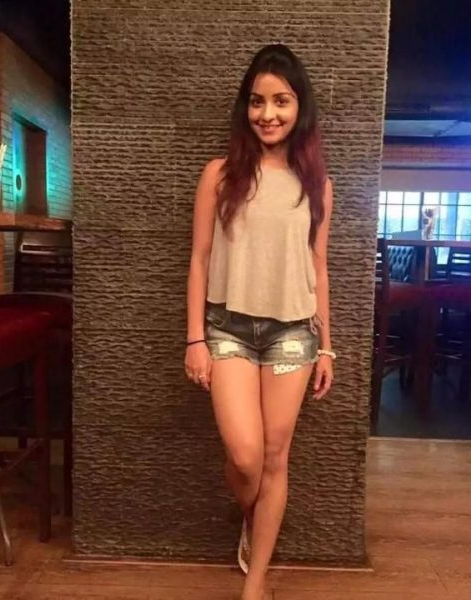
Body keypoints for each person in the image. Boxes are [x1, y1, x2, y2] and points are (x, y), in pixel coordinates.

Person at [184, 43, 335, 600]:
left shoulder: (317, 184)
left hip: (293, 333)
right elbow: (199, 259)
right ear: (245, 107)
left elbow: (318, 267)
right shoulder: (219, 175)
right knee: (246, 459)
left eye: (281, 101)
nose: (267, 114)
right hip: (227, 329)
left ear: (300, 107)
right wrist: (195, 338)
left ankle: (256, 584)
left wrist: (328, 346)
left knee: (275, 458)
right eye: (257, 101)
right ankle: (254, 518)